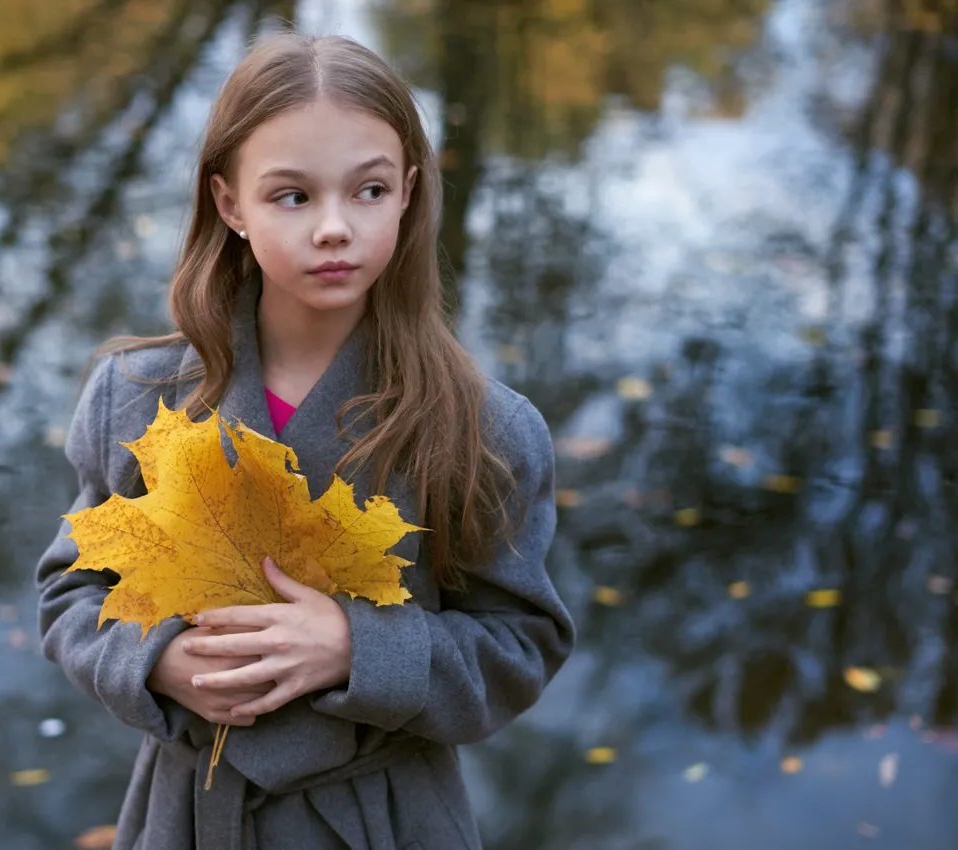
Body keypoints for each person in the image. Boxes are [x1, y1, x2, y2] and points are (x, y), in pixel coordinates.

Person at [35, 31, 576, 850]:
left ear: (408, 194)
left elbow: (518, 646)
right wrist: (157, 662)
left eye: (368, 190)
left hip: (386, 818)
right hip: (188, 813)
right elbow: (72, 595)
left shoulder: (484, 431)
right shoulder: (136, 400)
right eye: (292, 196)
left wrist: (356, 648)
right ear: (229, 205)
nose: (333, 227)